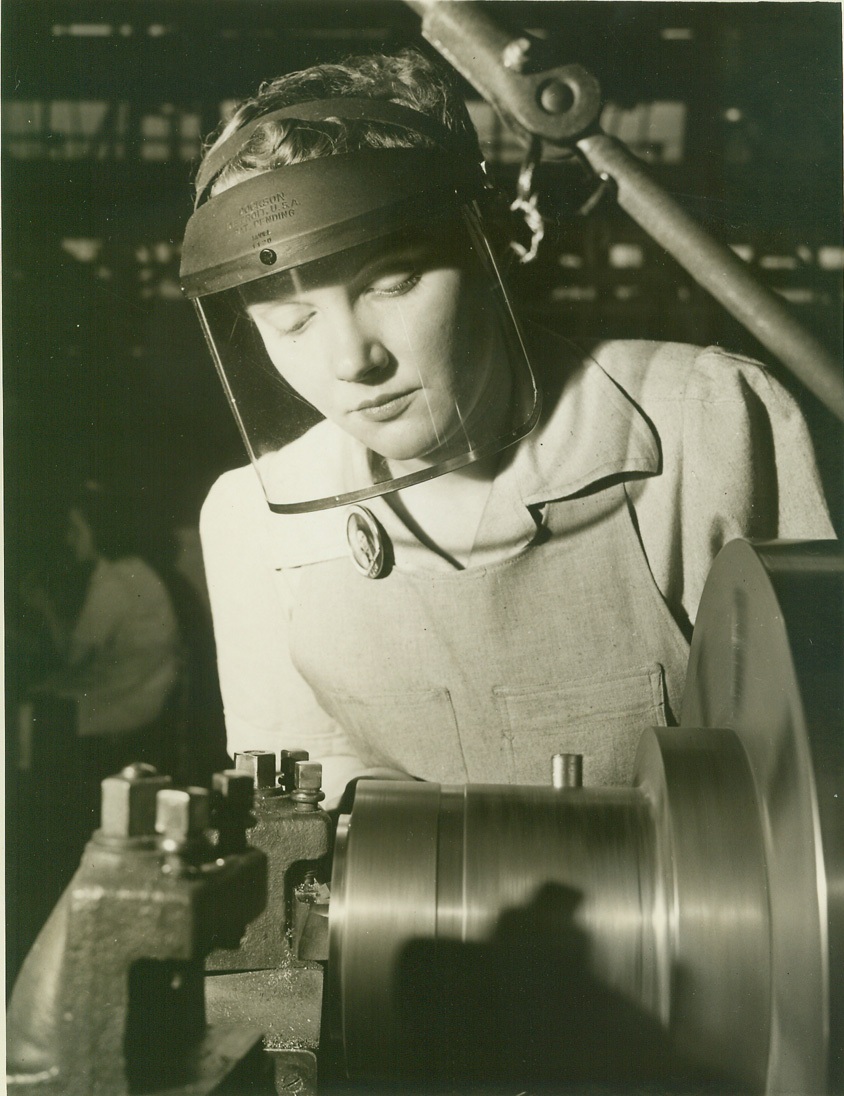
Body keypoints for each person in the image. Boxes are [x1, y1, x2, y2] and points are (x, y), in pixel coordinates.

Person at [181, 48, 834, 809]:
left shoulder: (706, 422)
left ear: (487, 248)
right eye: (291, 324)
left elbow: (813, 805)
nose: (352, 359)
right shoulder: (255, 524)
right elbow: (303, 842)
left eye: (392, 283)